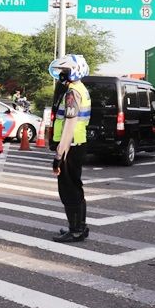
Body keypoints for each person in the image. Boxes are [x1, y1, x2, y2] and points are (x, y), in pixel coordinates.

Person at [48, 54, 91, 243]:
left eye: (63, 71)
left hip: (70, 145)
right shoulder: (80, 88)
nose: (60, 75)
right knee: (75, 187)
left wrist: (59, 155)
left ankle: (75, 230)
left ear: (73, 72)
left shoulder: (72, 92)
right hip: (77, 143)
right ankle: (79, 227)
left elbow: (69, 126)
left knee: (69, 190)